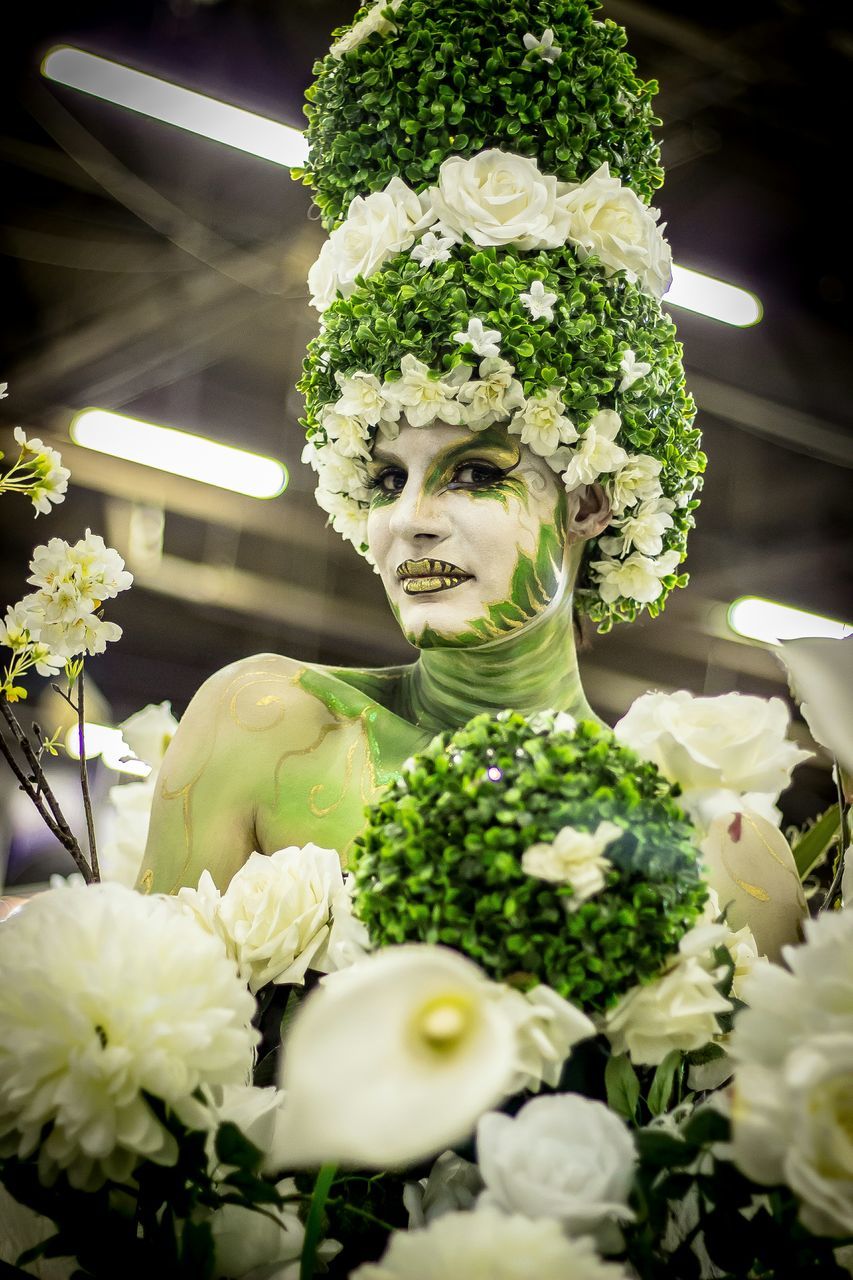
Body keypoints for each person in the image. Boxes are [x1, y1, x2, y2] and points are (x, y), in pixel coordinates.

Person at [137, 0, 705, 894]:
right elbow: (128, 1022)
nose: (409, 523)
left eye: (475, 473)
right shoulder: (263, 726)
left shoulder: (689, 826)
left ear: (592, 499)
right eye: (383, 478)